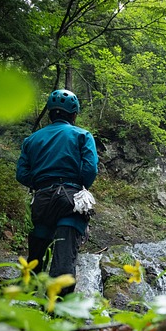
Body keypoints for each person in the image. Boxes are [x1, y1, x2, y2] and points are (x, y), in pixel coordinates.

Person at [16, 89, 99, 296]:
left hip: (42, 200)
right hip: (70, 200)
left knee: (37, 250)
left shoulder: (31, 140)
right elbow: (90, 169)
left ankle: (25, 295)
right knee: (64, 257)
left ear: (50, 113)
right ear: (73, 114)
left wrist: (41, 183)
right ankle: (58, 310)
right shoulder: (82, 135)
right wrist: (79, 186)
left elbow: (22, 174)